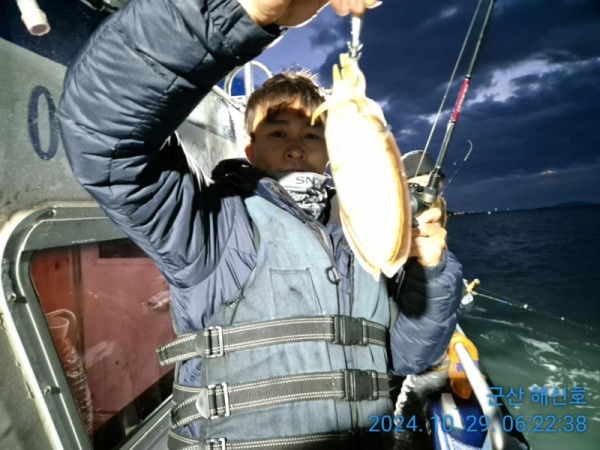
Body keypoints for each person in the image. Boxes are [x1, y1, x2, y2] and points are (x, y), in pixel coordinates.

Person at [58, 0, 463, 448]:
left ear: (332, 150)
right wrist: (239, 11)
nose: (296, 147)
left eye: (312, 135)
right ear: (249, 150)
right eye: (278, 132)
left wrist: (429, 270)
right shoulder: (210, 223)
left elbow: (410, 357)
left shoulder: (362, 233)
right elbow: (103, 135)